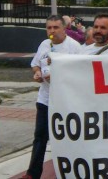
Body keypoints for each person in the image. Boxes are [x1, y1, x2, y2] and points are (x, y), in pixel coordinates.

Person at [20, 15, 82, 179]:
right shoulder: (44, 44)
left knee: (69, 138)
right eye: (49, 28)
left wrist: (59, 78)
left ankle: (72, 172)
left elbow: (81, 74)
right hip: (45, 99)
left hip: (66, 102)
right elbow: (35, 64)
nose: (52, 31)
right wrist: (38, 73)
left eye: (56, 27)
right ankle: (32, 173)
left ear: (64, 29)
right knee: (40, 137)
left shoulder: (74, 48)